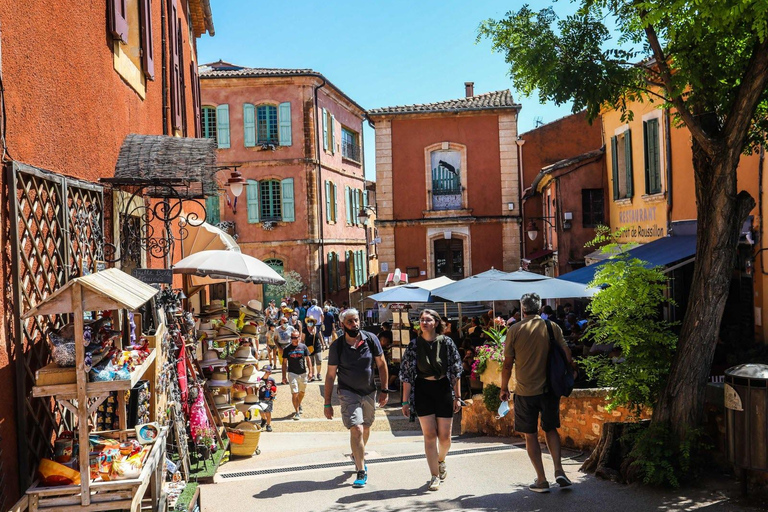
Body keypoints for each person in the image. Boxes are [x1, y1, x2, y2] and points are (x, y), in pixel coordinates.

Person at [500, 292, 577, 493]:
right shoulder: (552, 327)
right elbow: (567, 355)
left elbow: (507, 365)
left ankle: (541, 480)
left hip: (525, 391)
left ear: (522, 308)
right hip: (549, 390)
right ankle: (559, 470)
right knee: (551, 429)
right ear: (540, 307)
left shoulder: (514, 330)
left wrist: (503, 388)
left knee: (530, 435)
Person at [323, 308, 388, 488]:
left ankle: (356, 454)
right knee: (357, 429)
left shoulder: (371, 339)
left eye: (357, 320)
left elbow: (381, 365)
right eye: (350, 322)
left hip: (369, 391)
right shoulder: (337, 346)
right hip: (347, 391)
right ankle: (361, 470)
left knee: (366, 427)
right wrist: (327, 403)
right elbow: (330, 376)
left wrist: (385, 390)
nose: (355, 324)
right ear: (343, 324)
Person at [399, 309, 462, 492]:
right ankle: (434, 475)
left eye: (428, 320)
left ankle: (441, 459)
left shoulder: (447, 342)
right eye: (421, 320)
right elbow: (407, 375)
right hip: (422, 390)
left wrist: (457, 397)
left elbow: (456, 371)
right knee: (429, 435)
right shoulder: (413, 346)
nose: (424, 323)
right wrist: (404, 402)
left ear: (436, 322)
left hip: (443, 389)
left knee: (445, 438)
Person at [282, 330, 313, 420]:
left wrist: (311, 372)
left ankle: (299, 403)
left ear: (299, 337)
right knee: (294, 393)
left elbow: (308, 360)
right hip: (292, 373)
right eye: (293, 338)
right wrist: (283, 376)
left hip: (303, 373)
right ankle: (297, 412)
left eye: (296, 337)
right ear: (291, 339)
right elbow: (284, 364)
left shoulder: (303, 347)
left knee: (302, 392)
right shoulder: (287, 349)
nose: (295, 339)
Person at [303, 317, 324, 381]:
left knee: (319, 360)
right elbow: (302, 340)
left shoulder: (317, 328)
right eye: (309, 321)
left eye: (311, 321)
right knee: (311, 362)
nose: (310, 323)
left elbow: (320, 337)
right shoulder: (304, 330)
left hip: (317, 346)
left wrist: (323, 344)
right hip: (308, 348)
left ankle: (319, 374)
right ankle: (313, 375)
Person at [256, 366, 277, 432]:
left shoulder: (271, 380)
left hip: (269, 399)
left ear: (269, 373)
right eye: (262, 371)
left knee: (268, 412)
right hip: (261, 398)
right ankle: (263, 419)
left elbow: (275, 388)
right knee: (261, 411)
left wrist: (274, 393)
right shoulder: (259, 379)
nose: (263, 373)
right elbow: (255, 387)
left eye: (265, 372)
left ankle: (268, 425)